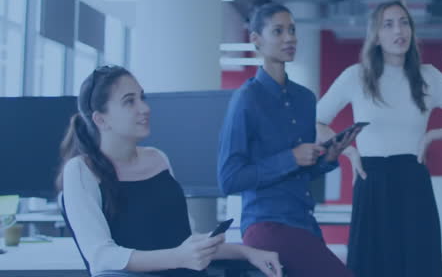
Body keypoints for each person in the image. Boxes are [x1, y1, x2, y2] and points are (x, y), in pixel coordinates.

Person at [316, 0, 442, 277]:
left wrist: (433, 135)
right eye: (388, 24)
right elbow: (314, 123)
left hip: (413, 180)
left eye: (404, 22)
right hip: (370, 180)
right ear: (376, 35)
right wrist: (348, 151)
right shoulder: (356, 77)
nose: (399, 30)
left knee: (417, 267)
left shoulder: (428, 77)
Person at [58, 65, 281, 277]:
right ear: (101, 119)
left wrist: (247, 252)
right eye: (129, 102)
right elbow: (102, 257)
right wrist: (177, 257)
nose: (144, 108)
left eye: (142, 98)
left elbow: (185, 243)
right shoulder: (80, 170)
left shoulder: (158, 158)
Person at [218, 2, 356, 277]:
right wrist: (290, 157)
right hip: (266, 225)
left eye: (292, 30)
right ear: (256, 40)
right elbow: (229, 179)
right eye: (278, 31)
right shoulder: (247, 99)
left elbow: (301, 173)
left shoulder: (305, 99)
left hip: (305, 223)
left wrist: (327, 159)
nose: (290, 38)